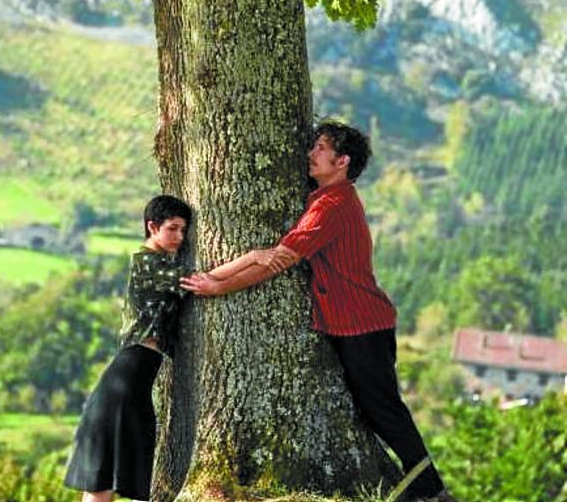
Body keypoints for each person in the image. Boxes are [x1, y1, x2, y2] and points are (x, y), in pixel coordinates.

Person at [181, 122, 457, 502]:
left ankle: (432, 491)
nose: (310, 154)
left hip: (362, 324)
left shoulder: (332, 205)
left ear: (342, 161)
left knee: (383, 409)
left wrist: (218, 286)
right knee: (376, 407)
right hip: (352, 323)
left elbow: (279, 260)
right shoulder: (326, 198)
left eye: (321, 148)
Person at [64, 194, 193, 502]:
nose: (179, 237)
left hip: (134, 384)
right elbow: (203, 280)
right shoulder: (148, 264)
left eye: (183, 231)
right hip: (123, 383)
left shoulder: (160, 263)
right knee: (101, 482)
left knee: (132, 479)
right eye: (173, 229)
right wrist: (257, 258)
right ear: (152, 227)